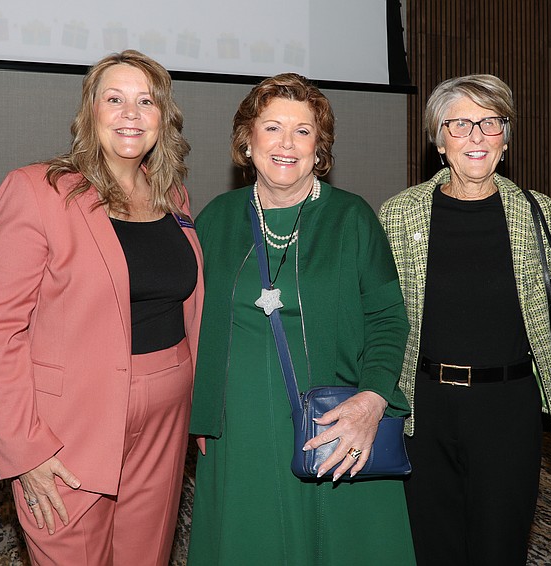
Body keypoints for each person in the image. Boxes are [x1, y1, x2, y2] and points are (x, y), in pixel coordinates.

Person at [0, 50, 203, 565]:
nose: (130, 113)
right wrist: (25, 449)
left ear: (162, 118)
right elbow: (0, 330)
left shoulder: (174, 197)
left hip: (166, 419)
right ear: (89, 112)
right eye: (115, 99)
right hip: (69, 422)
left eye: (146, 101)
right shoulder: (37, 190)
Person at [186, 73, 416, 565]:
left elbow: (388, 319)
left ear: (320, 148)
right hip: (239, 428)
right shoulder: (215, 220)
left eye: (303, 131)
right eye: (271, 128)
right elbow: (189, 320)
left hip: (335, 423)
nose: (286, 144)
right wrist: (200, 405)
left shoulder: (353, 218)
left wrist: (372, 403)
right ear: (247, 141)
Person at [379, 74, 551, 565]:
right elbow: (380, 314)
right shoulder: (400, 214)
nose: (476, 135)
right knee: (433, 547)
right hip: (424, 408)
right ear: (439, 140)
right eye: (460, 124)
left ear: (506, 138)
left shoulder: (536, 211)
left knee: (500, 546)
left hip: (508, 409)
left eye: (489, 122)